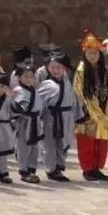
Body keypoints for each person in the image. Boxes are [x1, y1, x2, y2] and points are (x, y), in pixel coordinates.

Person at [74, 30, 108, 182]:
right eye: (89, 53)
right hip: (87, 112)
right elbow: (78, 92)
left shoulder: (105, 69)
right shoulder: (81, 70)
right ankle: (88, 169)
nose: (92, 56)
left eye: (95, 53)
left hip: (103, 110)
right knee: (87, 142)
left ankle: (96, 168)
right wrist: (85, 110)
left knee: (101, 142)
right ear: (84, 54)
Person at [36, 47, 76, 182]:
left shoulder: (67, 82)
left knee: (63, 143)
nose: (56, 70)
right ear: (48, 68)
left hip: (66, 117)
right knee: (50, 144)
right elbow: (39, 102)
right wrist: (37, 118)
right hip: (51, 118)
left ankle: (59, 167)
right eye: (53, 68)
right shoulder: (46, 84)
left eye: (59, 68)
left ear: (64, 69)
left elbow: (73, 101)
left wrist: (79, 116)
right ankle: (51, 169)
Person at [11, 60, 44, 184]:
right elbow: (19, 106)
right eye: (26, 76)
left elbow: (39, 106)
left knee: (34, 148)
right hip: (24, 122)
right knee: (23, 147)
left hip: (35, 121)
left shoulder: (35, 90)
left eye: (31, 76)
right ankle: (24, 171)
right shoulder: (17, 90)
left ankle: (32, 169)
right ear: (19, 77)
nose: (29, 79)